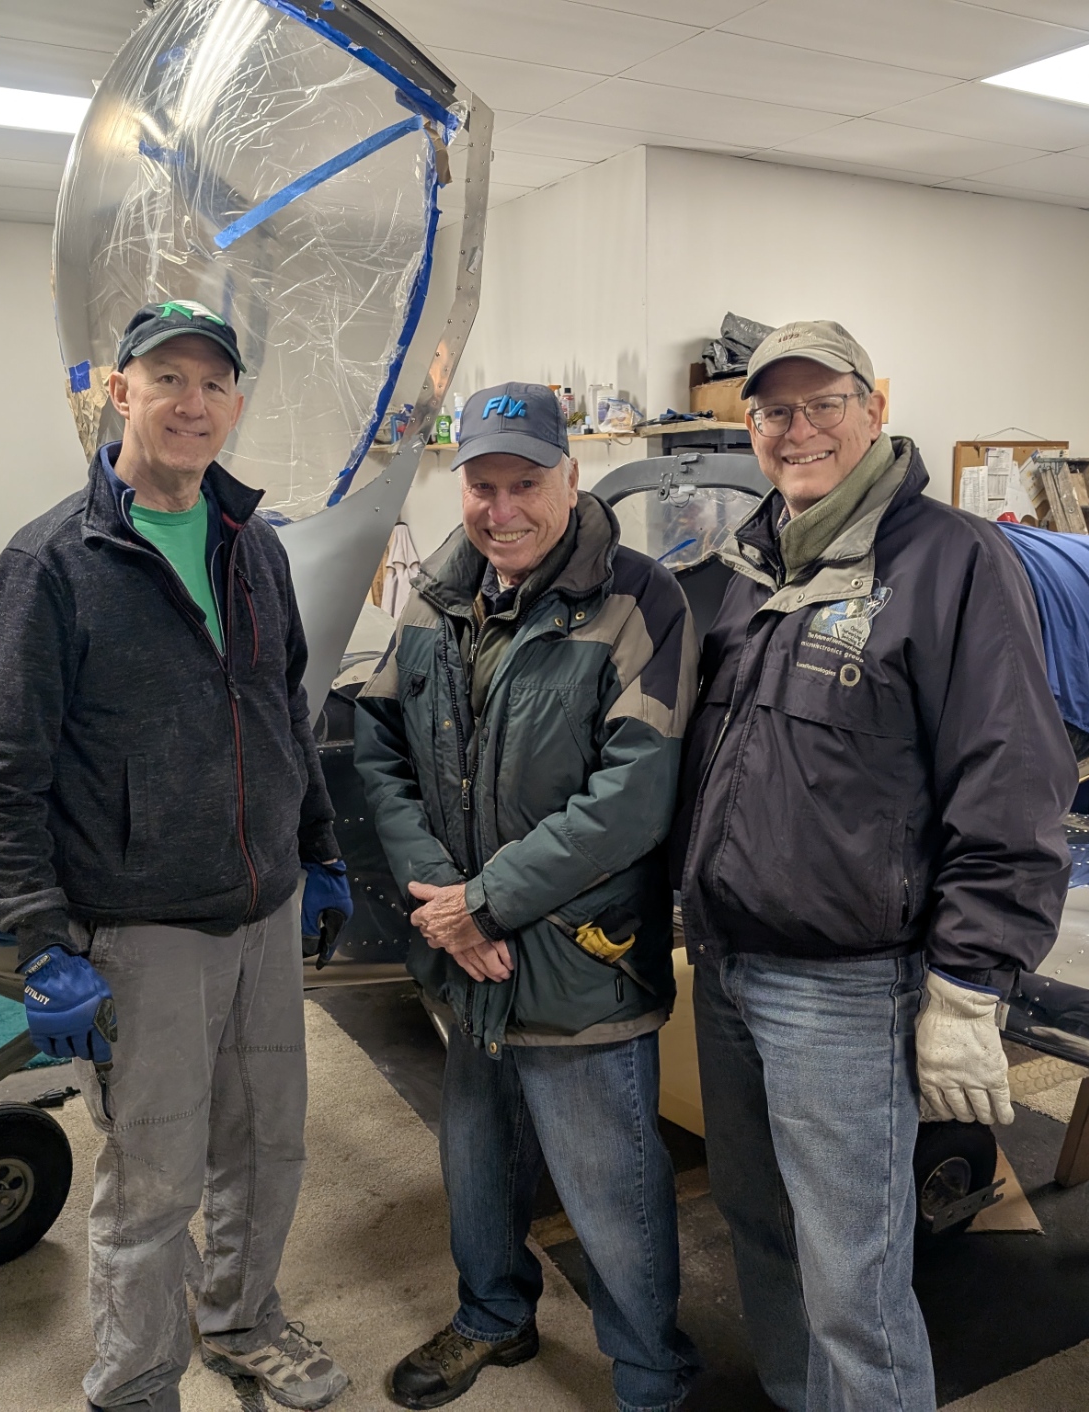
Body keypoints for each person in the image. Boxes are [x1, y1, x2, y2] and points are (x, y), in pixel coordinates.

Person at [672, 321, 1075, 1410]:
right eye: (771, 411)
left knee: (854, 1275)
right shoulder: (746, 562)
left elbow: (1014, 779)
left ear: (872, 405)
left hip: (846, 988)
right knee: (758, 1229)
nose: (795, 430)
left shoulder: (949, 561)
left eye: (821, 404)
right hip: (728, 970)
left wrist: (968, 984)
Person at [0, 300, 355, 1412]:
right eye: (167, 378)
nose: (192, 403)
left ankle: (241, 1317)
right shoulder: (52, 562)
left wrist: (318, 848)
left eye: (213, 383)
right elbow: (1, 771)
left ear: (235, 404)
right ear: (117, 393)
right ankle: (133, 1382)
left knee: (269, 1144)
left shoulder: (256, 548)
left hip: (263, 910)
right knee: (152, 1180)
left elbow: (283, 712)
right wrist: (43, 941)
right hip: (141, 930)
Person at [355, 382, 701, 1412]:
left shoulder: (642, 600)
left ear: (570, 477)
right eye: (482, 484)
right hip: (465, 954)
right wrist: (443, 904)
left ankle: (650, 1375)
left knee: (611, 1192)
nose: (501, 507)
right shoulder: (433, 597)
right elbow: (379, 750)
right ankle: (492, 1315)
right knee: (478, 1158)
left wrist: (486, 904)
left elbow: (633, 795)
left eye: (525, 482)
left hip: (575, 957)